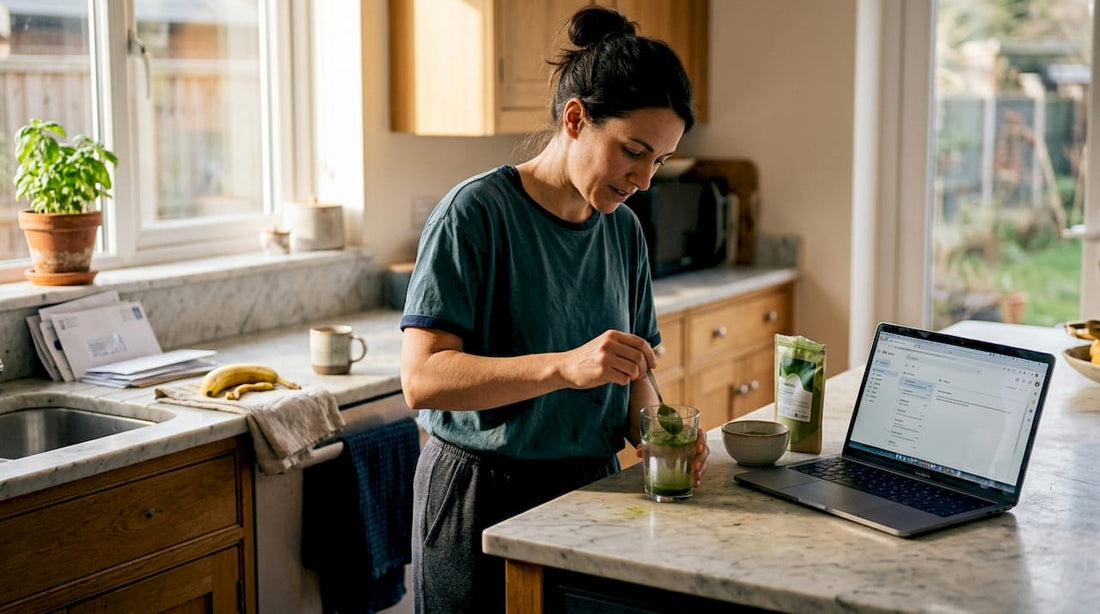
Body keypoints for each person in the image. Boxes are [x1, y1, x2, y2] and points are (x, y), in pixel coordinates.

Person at [399, 6, 708, 612]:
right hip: (481, 498)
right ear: (575, 119)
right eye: (633, 151)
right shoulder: (475, 214)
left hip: (592, 488)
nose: (644, 179)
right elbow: (423, 379)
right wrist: (564, 367)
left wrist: (656, 433)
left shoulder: (623, 232)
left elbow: (634, 372)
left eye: (659, 161)